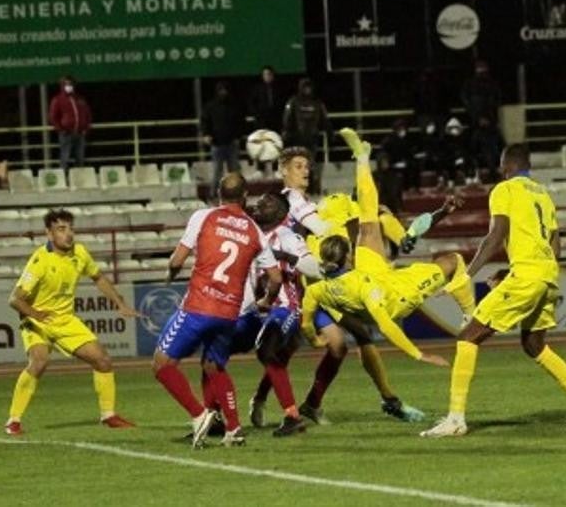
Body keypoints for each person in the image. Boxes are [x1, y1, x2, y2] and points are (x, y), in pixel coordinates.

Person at [421, 144, 566, 438]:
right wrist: (517, 272)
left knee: (468, 337)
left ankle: (455, 419)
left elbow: (495, 237)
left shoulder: (504, 190)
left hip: (529, 276)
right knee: (534, 344)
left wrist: (468, 274)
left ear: (506, 166)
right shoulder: (543, 194)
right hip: (548, 276)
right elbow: (554, 245)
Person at [298, 189, 466, 425]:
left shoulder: (332, 215)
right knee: (360, 336)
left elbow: (406, 238)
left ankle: (307, 404)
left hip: (320, 287)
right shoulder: (357, 218)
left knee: (341, 346)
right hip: (329, 288)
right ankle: (389, 400)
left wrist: (441, 212)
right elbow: (405, 240)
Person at [155, 173, 283, 448]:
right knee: (214, 366)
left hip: (198, 306)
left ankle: (200, 415)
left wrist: (170, 275)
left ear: (218, 193)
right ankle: (234, 428)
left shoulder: (204, 216)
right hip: (229, 314)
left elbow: (178, 259)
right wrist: (267, 301)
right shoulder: (254, 231)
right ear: (245, 196)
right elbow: (275, 278)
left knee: (161, 365)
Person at [4, 209, 140, 435]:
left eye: (70, 229)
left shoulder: (80, 253)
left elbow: (98, 277)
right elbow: (15, 299)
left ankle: (109, 415)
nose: (68, 234)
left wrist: (120, 303)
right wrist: (36, 315)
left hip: (66, 321)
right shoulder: (40, 260)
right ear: (49, 234)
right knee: (39, 361)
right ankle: (13, 420)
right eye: (61, 229)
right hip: (38, 321)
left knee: (103, 360)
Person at [238, 192, 321, 437]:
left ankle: (292, 416)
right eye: (260, 200)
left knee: (267, 351)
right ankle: (248, 403)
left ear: (282, 214)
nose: (260, 203)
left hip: (286, 307)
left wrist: (283, 256)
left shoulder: (286, 236)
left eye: (269, 203)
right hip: (254, 309)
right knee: (270, 358)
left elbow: (313, 268)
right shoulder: (250, 234)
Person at [282, 78, 330, 190]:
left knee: (311, 164)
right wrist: (286, 132)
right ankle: (297, 186)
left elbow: (325, 119)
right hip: (297, 138)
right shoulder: (294, 101)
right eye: (305, 87)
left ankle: (312, 186)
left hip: (312, 139)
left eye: (309, 87)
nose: (308, 90)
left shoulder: (317, 103)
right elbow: (287, 118)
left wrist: (330, 134)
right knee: (298, 163)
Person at [201, 81, 245, 195]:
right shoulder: (210, 106)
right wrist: (206, 134)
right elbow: (205, 121)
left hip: (232, 143)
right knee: (217, 172)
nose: (223, 93)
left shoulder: (234, 105)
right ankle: (214, 194)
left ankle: (237, 194)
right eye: (221, 90)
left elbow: (241, 122)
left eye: (225, 90)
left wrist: (238, 137)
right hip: (216, 144)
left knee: (234, 172)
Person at [49, 75, 92, 175]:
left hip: (80, 133)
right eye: (67, 84)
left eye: (71, 84)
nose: (69, 86)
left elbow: (88, 114)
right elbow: (52, 117)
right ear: (62, 85)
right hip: (66, 134)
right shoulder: (58, 99)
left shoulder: (80, 99)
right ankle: (63, 179)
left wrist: (86, 128)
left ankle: (80, 179)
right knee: (65, 157)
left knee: (80, 157)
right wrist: (61, 129)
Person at [460, 60, 502, 132]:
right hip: (476, 115)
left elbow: (498, 98)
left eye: (483, 67)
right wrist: (477, 116)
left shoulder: (492, 83)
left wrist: (494, 115)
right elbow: (465, 99)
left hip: (489, 115)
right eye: (480, 67)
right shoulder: (469, 83)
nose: (482, 69)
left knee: (490, 135)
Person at [246, 65, 284, 132]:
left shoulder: (279, 88)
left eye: (269, 74)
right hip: (262, 120)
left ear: (273, 75)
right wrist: (256, 115)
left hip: (275, 120)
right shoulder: (258, 88)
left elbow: (282, 104)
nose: (267, 76)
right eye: (265, 74)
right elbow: (251, 103)